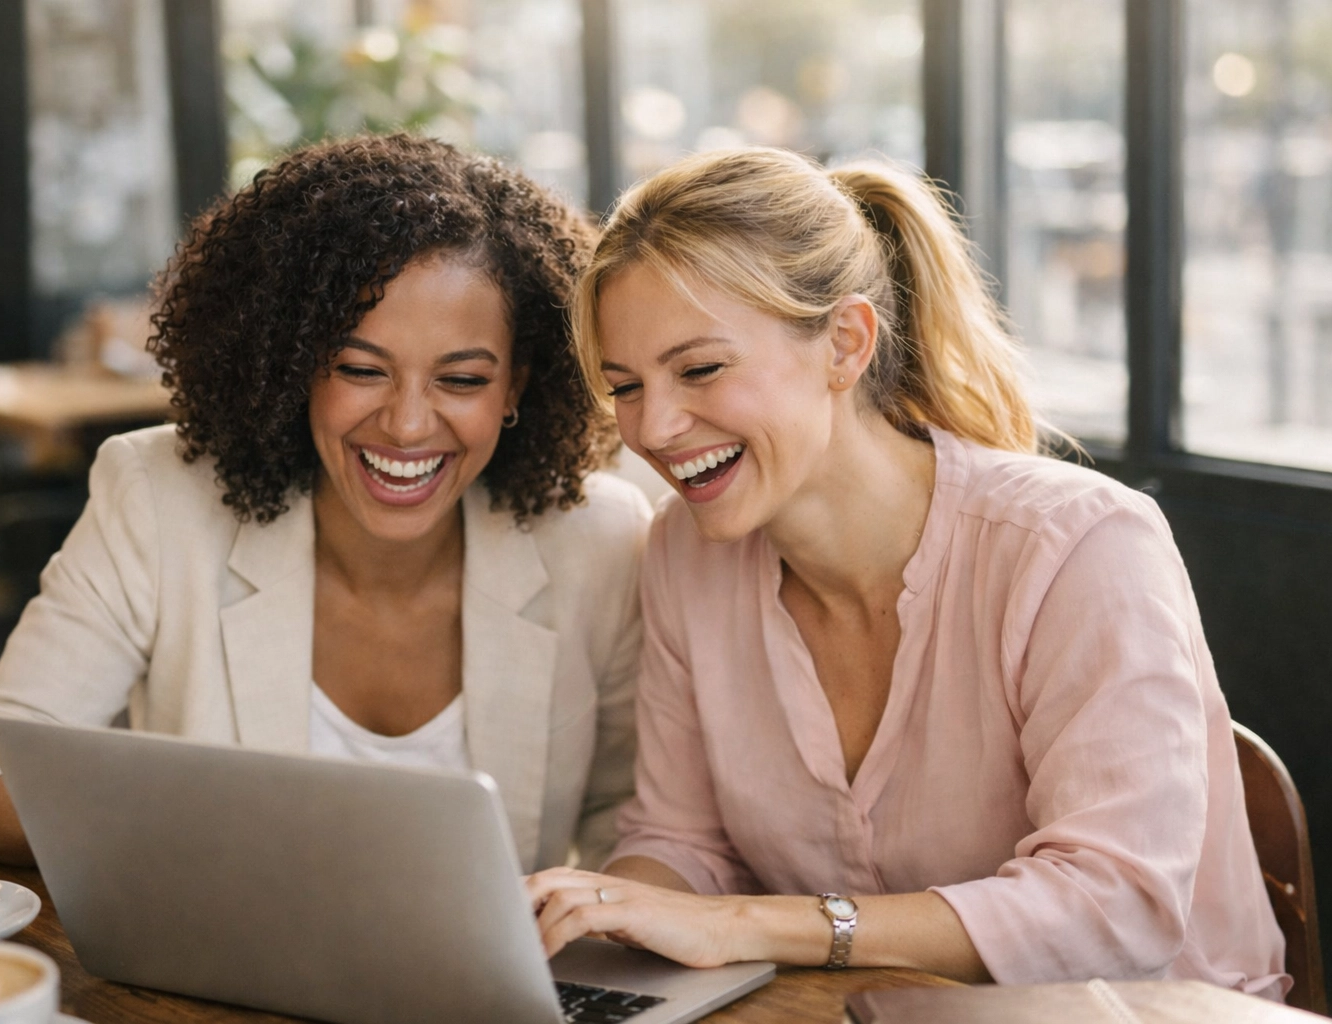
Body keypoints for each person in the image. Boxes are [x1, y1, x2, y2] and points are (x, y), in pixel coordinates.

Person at [526, 147, 1288, 998]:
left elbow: (1113, 910)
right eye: (623, 386)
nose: (656, 427)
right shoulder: (682, 552)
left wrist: (742, 924)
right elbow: (682, 843)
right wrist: (599, 912)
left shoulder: (1076, 545)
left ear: (844, 345)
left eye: (700, 369)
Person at [0, 134, 650, 873]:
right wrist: (210, 830)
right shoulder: (159, 500)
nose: (405, 423)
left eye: (461, 381)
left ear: (517, 387)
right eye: (360, 369)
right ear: (292, 362)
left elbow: (636, 827)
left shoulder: (600, 541)